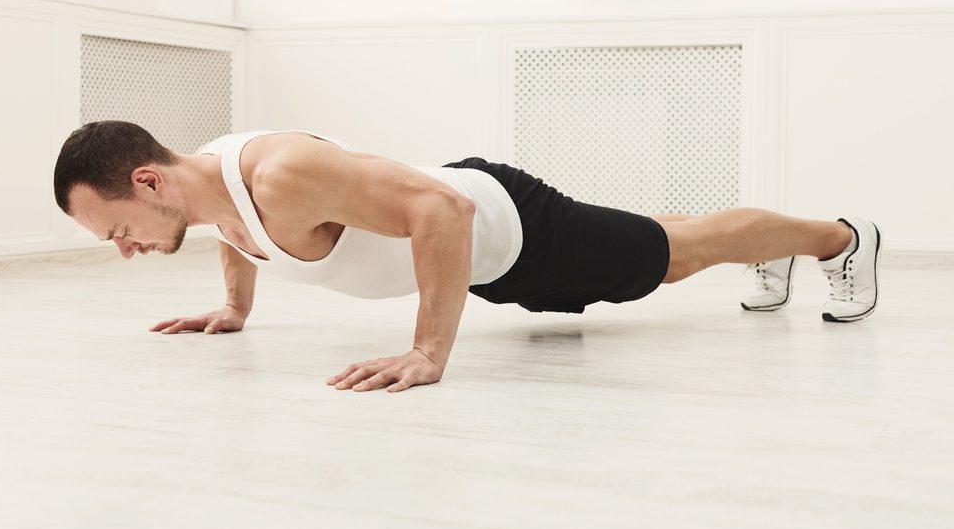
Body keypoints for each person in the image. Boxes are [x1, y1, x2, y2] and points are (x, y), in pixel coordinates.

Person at [53, 121, 881, 393]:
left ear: (147, 178)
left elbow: (438, 209)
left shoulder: (280, 171)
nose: (126, 251)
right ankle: (772, 250)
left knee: (675, 255)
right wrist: (236, 308)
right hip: (484, 259)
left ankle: (842, 238)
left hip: (507, 229)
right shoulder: (206, 194)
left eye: (117, 229)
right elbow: (240, 237)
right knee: (662, 237)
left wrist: (427, 349)